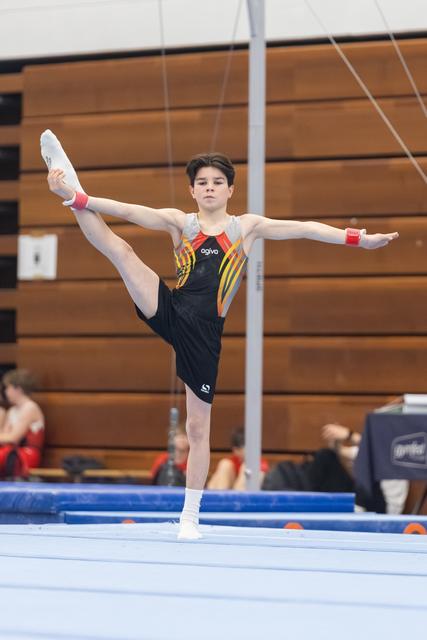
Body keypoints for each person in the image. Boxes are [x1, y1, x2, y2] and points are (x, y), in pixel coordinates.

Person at [41, 129, 398, 539]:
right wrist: (81, 198)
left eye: (217, 182)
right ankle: (68, 184)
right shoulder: (180, 222)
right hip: (170, 308)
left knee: (197, 429)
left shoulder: (247, 227)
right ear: (192, 191)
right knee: (120, 250)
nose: (209, 188)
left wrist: (358, 239)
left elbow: (305, 227)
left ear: (230, 190)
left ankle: (190, 516)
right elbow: (129, 209)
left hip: (205, 334)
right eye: (202, 183)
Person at [0, 369, 45, 478]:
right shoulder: (12, 411)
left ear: (18, 389)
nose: (6, 392)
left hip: (27, 454)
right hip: (10, 451)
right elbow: (3, 435)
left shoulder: (30, 408)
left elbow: (14, 438)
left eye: (8, 388)